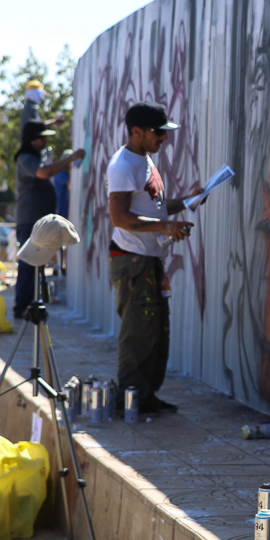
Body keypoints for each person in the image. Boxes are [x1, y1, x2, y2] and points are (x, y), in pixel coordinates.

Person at [106, 101, 202, 415]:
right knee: (138, 332)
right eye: (158, 132)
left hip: (147, 259)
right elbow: (119, 217)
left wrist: (187, 202)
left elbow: (154, 208)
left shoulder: (144, 160)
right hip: (133, 261)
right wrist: (165, 226)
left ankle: (145, 397)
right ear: (137, 132)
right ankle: (130, 400)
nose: (163, 138)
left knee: (156, 331)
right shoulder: (124, 165)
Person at [13, 120, 84, 319]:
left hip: (36, 221)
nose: (45, 141)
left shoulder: (32, 157)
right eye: (42, 137)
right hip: (30, 220)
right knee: (28, 262)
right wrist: (70, 159)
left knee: (37, 264)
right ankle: (22, 307)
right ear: (33, 140)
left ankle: (32, 304)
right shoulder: (27, 158)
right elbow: (44, 172)